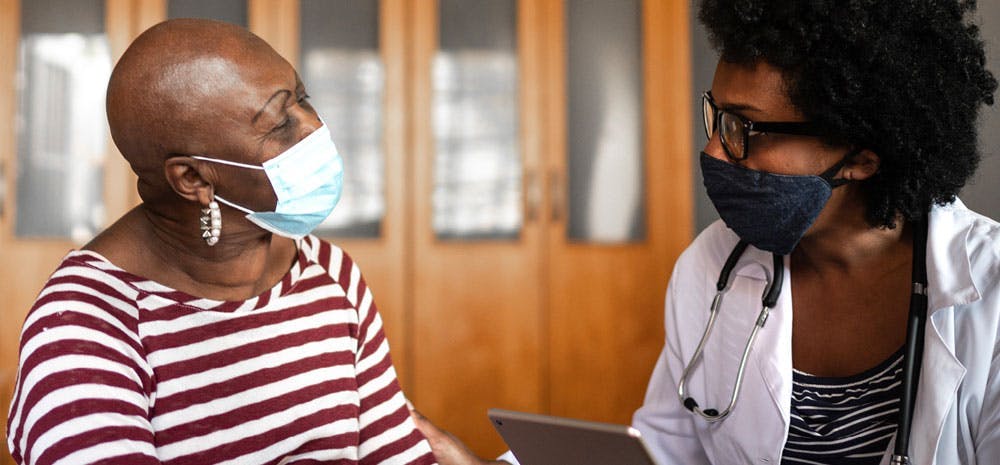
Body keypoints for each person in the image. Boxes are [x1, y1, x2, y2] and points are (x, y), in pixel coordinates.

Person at [414, 0, 1000, 464]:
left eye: (744, 128)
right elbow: (666, 450)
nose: (714, 149)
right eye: (715, 117)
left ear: (862, 158)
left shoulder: (989, 295)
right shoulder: (710, 266)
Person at [6, 18, 436, 465]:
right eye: (279, 124)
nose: (314, 127)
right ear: (193, 178)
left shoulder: (330, 271)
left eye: (303, 99)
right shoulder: (83, 325)